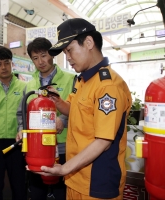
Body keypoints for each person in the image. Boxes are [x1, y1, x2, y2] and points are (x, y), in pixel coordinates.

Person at [37, 18, 132, 199]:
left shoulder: (108, 85)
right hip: (76, 178)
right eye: (65, 53)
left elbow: (103, 141)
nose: (68, 58)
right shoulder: (83, 80)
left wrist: (64, 168)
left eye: (70, 50)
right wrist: (58, 102)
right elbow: (74, 110)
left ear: (89, 42)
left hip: (97, 183)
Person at [16, 37, 75, 200]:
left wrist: (62, 120)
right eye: (35, 58)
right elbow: (21, 113)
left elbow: (78, 110)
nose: (40, 61)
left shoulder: (71, 79)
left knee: (61, 191)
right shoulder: (29, 84)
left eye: (44, 55)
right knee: (37, 192)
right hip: (36, 148)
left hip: (62, 146)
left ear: (52, 55)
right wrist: (22, 130)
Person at [0, 47, 27, 200]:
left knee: (19, 184)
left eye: (6, 63)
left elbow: (27, 114)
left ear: (12, 64)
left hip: (17, 142)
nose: (3, 67)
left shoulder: (24, 87)